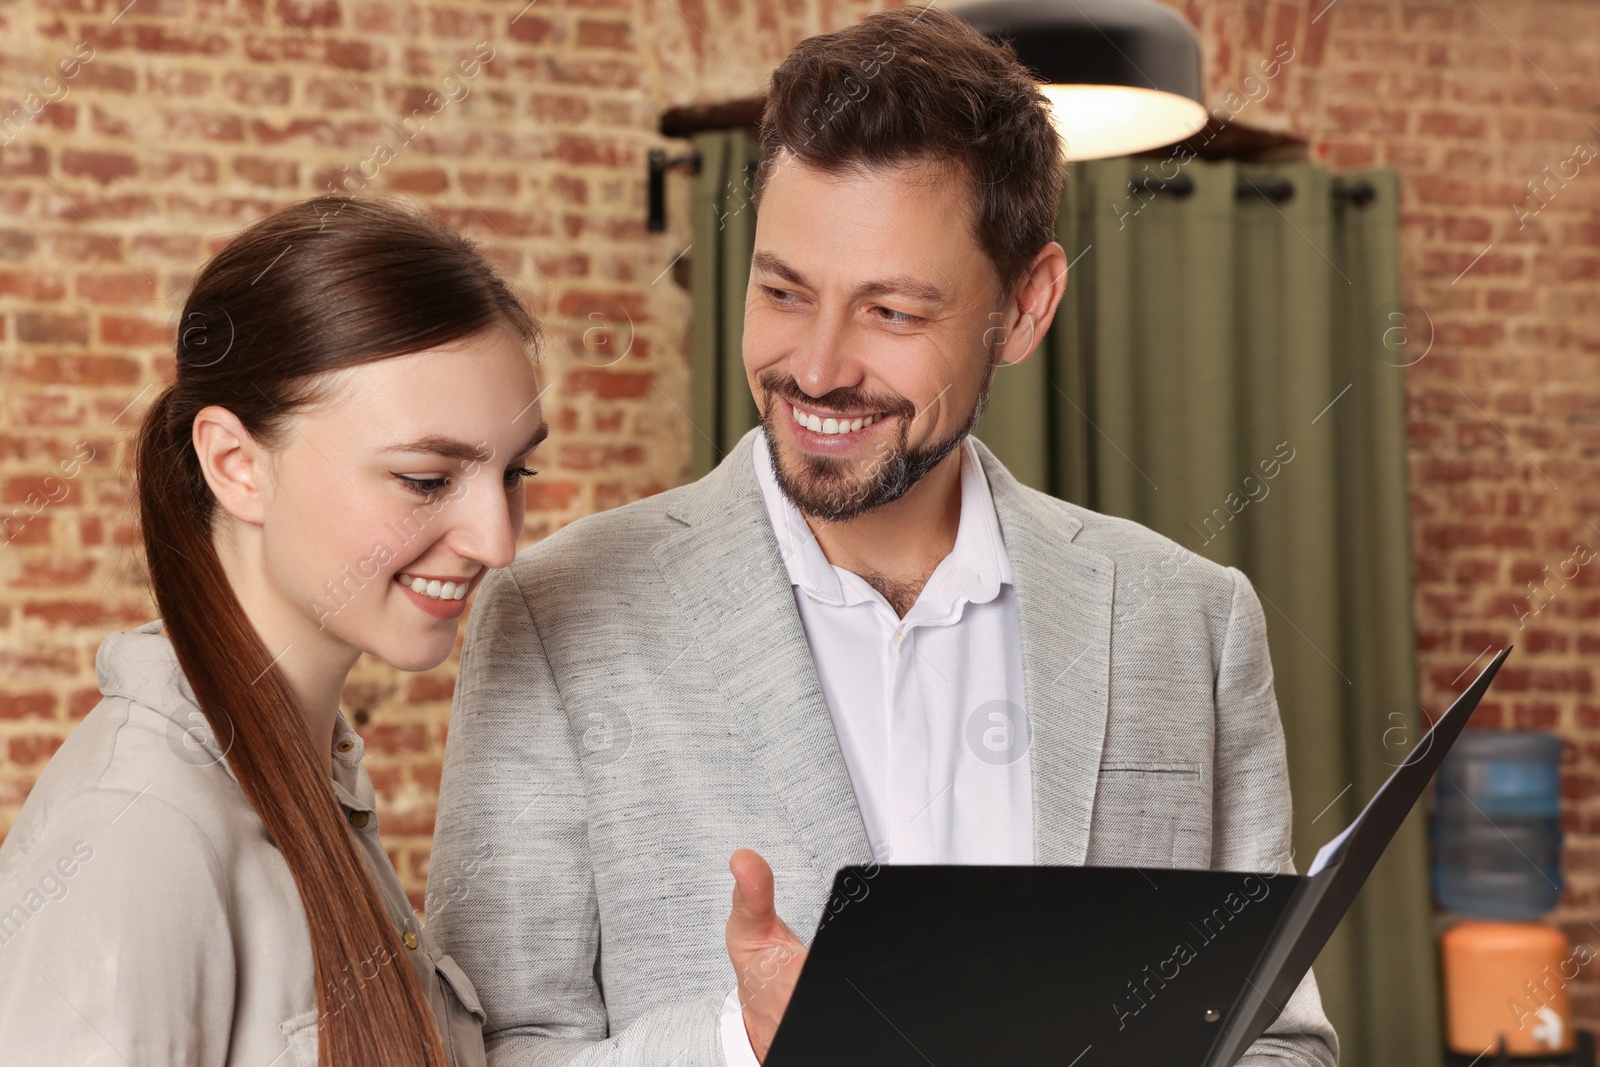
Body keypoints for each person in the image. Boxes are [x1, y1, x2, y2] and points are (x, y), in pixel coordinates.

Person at [430, 7, 1337, 1066]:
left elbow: (1278, 1038)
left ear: (1027, 306)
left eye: (892, 313)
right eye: (781, 290)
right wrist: (733, 1042)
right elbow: (487, 1047)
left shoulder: (1190, 621)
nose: (815, 367)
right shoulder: (553, 617)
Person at [0, 194, 548, 1066]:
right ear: (236, 466)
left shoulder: (305, 782)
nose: (497, 540)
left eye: (513, 472)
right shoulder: (134, 837)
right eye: (424, 479)